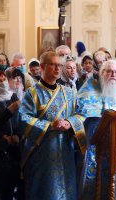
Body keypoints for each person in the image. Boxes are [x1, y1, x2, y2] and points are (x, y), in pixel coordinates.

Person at [18, 51, 87, 200]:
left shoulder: (69, 93)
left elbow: (81, 114)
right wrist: (50, 126)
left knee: (66, 189)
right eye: (53, 65)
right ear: (42, 66)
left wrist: (70, 122)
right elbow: (23, 119)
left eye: (60, 65)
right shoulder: (32, 93)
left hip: (65, 152)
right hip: (41, 153)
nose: (57, 69)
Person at [77, 60, 116, 200]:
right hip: (94, 137)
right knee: (91, 170)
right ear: (101, 73)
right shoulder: (90, 85)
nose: (113, 75)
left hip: (114, 138)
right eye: (109, 71)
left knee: (112, 171)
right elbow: (81, 107)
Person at [0, 69, 21, 200]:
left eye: (4, 80)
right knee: (3, 186)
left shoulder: (13, 96)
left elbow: (20, 118)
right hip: (2, 147)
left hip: (16, 145)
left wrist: (19, 135)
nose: (3, 83)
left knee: (16, 180)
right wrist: (5, 137)